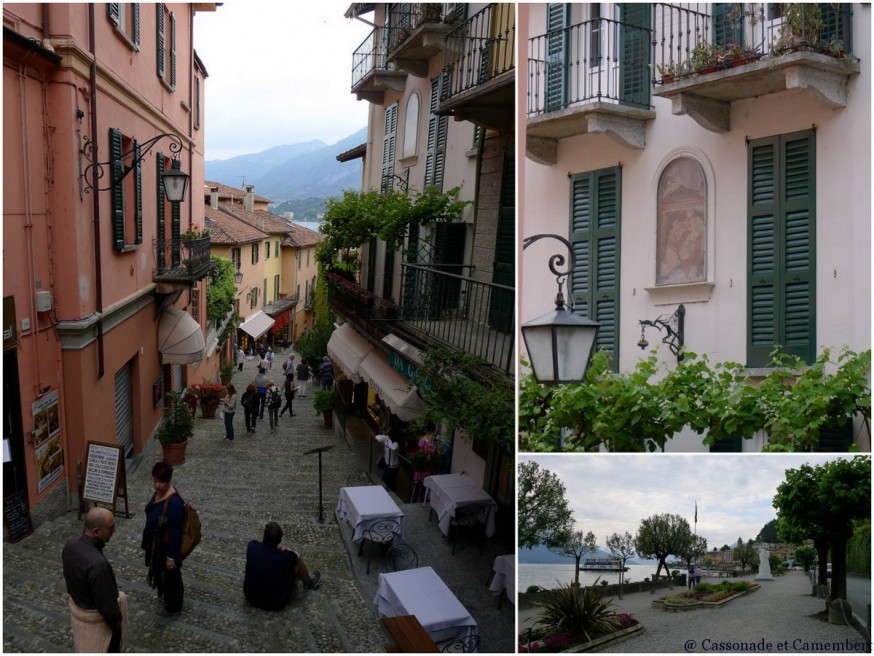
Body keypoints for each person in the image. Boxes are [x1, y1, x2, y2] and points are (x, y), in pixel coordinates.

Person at [62, 507, 128, 652]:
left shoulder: (70, 544)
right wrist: (117, 623)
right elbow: (108, 606)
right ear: (96, 531)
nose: (114, 531)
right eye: (110, 528)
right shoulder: (99, 565)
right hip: (96, 623)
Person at [244, 522, 321, 610]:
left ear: (264, 536)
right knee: (298, 562)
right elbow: (297, 555)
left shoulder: (252, 545)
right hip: (274, 603)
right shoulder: (285, 556)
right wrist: (286, 549)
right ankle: (309, 583)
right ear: (279, 540)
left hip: (250, 597)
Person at [142, 462, 185, 617]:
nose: (157, 485)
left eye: (161, 482)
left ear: (169, 481)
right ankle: (166, 596)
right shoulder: (159, 492)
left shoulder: (173, 503)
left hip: (167, 548)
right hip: (157, 545)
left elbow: (176, 532)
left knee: (172, 576)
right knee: (162, 574)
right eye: (155, 481)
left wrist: (171, 557)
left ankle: (174, 605)